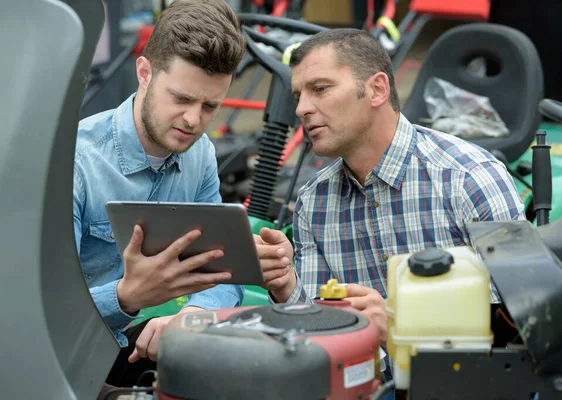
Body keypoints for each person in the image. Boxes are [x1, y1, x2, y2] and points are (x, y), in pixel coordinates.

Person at [254, 28, 525, 345]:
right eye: (298, 96)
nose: (301, 109)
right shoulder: (313, 203)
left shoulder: (469, 178)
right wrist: (286, 285)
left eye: (320, 89)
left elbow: (524, 321)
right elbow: (318, 335)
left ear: (377, 90)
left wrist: (404, 327)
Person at [73, 0, 246, 386]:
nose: (193, 120)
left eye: (210, 106)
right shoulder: (77, 163)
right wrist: (125, 297)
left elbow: (221, 271)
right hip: (58, 355)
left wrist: (192, 316)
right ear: (145, 72)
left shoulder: (199, 153)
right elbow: (35, 311)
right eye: (182, 99)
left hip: (125, 345)